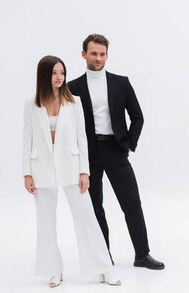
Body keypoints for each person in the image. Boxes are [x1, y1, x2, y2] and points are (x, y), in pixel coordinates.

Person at [23, 55, 121, 288]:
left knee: (86, 215)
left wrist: (84, 171)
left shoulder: (74, 103)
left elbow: (81, 138)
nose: (59, 77)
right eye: (54, 73)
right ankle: (53, 270)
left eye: (62, 73)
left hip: (71, 166)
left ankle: (104, 268)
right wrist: (27, 173)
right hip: (42, 168)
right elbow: (27, 140)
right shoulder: (32, 103)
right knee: (46, 220)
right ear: (44, 75)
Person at [68, 34, 164, 270]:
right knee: (95, 206)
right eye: (93, 53)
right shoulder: (72, 88)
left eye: (102, 54)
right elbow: (68, 124)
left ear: (107, 55)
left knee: (132, 202)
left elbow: (138, 116)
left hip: (115, 148)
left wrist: (130, 143)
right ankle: (104, 257)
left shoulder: (121, 83)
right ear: (84, 54)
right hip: (88, 153)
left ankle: (142, 254)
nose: (98, 58)